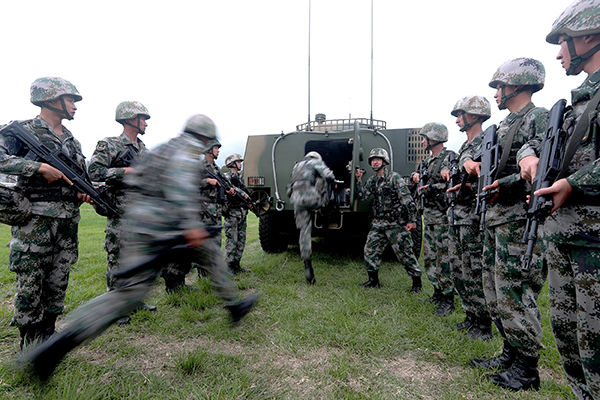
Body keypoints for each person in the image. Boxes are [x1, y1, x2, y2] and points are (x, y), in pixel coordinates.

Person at [19, 114, 258, 380]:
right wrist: (190, 226)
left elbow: (137, 183)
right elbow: (179, 187)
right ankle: (233, 305)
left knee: (128, 294)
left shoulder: (161, 150)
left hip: (141, 226)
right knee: (208, 253)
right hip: (164, 228)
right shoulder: (185, 152)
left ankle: (56, 347)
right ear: (203, 138)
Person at [518, 2, 600, 398]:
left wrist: (575, 182)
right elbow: (539, 143)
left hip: (594, 243)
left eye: (564, 41)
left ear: (589, 37)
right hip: (566, 238)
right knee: (570, 343)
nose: (558, 52)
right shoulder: (576, 102)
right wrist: (528, 156)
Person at [465, 58, 548, 391]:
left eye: (500, 86)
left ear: (517, 85)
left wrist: (508, 183)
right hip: (497, 217)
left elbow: (543, 166)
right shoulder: (503, 126)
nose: (496, 93)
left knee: (515, 289)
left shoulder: (537, 118)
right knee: (496, 288)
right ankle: (510, 352)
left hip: (517, 217)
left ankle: (527, 367)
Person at [0, 77, 91, 349]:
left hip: (67, 222)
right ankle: (29, 345)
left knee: (57, 280)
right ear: (52, 99)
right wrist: (38, 168)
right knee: (30, 281)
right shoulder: (21, 131)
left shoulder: (72, 141)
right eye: (71, 99)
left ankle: (48, 337)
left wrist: (82, 193)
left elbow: (79, 178)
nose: (75, 105)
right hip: (34, 221)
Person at [88, 101, 156, 324]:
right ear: (130, 119)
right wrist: (124, 171)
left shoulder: (144, 149)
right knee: (117, 259)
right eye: (143, 118)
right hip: (120, 213)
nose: (146, 123)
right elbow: (94, 171)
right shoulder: (110, 144)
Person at [443, 96, 493, 340]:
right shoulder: (465, 147)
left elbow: (487, 177)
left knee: (474, 269)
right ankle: (471, 316)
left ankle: (483, 324)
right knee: (458, 268)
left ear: (473, 115)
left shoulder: (487, 141)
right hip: (457, 215)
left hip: (473, 216)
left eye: (460, 114)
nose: (457, 119)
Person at [355, 148, 422, 292]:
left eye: (378, 160)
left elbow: (408, 201)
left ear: (384, 162)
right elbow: (363, 196)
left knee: (405, 254)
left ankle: (417, 283)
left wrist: (412, 220)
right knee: (370, 250)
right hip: (378, 224)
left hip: (396, 224)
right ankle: (373, 281)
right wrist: (359, 180)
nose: (375, 162)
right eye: (372, 160)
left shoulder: (394, 178)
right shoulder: (373, 180)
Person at [410, 123, 455, 316]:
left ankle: (448, 298)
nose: (422, 141)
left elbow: (451, 183)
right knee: (429, 258)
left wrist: (429, 188)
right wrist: (416, 176)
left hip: (442, 216)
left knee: (443, 258)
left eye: (424, 137)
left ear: (434, 138)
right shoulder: (427, 162)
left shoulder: (449, 158)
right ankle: (437, 292)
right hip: (428, 217)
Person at [287, 151, 334, 284]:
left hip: (297, 200)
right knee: (323, 182)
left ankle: (308, 266)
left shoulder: (297, 166)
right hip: (312, 199)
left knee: (304, 231)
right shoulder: (316, 162)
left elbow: (291, 185)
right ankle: (326, 211)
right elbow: (329, 176)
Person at [223, 153, 251, 274]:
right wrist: (243, 194)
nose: (241, 164)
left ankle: (236, 265)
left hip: (241, 212)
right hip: (232, 213)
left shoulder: (239, 178)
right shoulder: (227, 176)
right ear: (233, 164)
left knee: (241, 240)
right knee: (232, 241)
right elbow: (227, 187)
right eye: (238, 162)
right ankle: (228, 267)